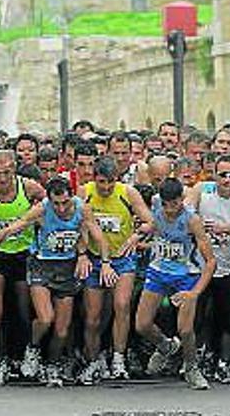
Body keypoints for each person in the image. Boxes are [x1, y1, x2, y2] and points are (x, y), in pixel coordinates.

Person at [0, 177, 108, 387]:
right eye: (56, 203)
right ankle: (32, 349)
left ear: (72, 197)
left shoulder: (81, 208)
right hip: (42, 265)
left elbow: (98, 236)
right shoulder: (42, 209)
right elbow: (15, 226)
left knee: (61, 329)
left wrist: (105, 262)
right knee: (46, 318)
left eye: (65, 202)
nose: (60, 208)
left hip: (67, 268)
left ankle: (52, 364)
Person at [77, 156, 154, 384]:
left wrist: (136, 236)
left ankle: (118, 359)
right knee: (92, 317)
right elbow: (78, 225)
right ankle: (93, 360)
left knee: (122, 305)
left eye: (111, 182)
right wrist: (81, 254)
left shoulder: (127, 192)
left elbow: (151, 221)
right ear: (94, 178)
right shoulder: (84, 192)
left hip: (122, 259)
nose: (106, 187)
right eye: (102, 182)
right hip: (94, 259)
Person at [134, 177, 216, 390]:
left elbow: (210, 262)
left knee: (185, 329)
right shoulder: (156, 208)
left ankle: (191, 367)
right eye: (166, 204)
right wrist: (138, 238)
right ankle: (166, 346)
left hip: (186, 276)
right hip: (159, 271)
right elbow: (155, 227)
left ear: (182, 199)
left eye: (175, 204)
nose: (170, 210)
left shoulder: (192, 220)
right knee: (142, 325)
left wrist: (195, 293)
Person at [184, 154, 230, 382]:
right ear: (213, 174)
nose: (226, 180)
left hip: (227, 267)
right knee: (197, 317)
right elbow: (184, 214)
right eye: (222, 175)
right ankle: (195, 360)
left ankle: (224, 362)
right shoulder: (201, 190)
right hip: (198, 266)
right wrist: (198, 225)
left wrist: (226, 229)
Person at [0, 150, 45, 386]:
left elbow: (50, 206)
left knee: (25, 312)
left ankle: (23, 358)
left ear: (15, 169)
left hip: (23, 255)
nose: (2, 179)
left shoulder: (29, 187)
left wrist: (37, 221)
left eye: (7, 172)